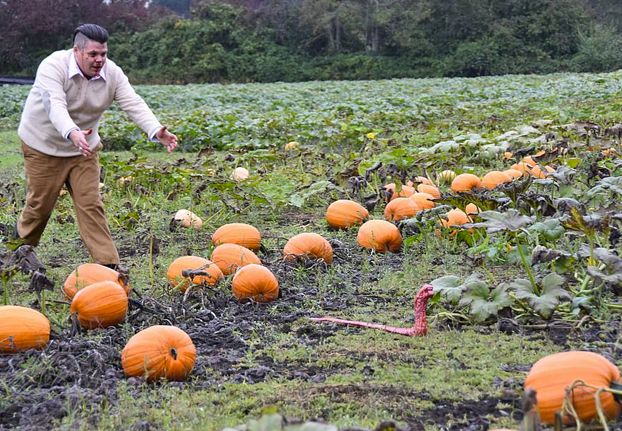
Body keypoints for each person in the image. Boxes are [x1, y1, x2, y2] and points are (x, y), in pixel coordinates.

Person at [14, 23, 178, 270]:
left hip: (84, 150)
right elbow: (55, 105)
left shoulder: (113, 73)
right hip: (43, 146)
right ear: (77, 51)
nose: (99, 60)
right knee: (40, 207)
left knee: (91, 203)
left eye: (103, 54)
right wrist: (72, 132)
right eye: (93, 54)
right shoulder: (52, 66)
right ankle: (17, 253)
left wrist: (156, 130)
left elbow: (132, 102)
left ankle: (109, 266)